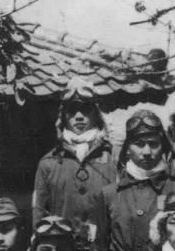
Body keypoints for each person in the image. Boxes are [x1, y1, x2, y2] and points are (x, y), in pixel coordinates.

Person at [88, 110, 175, 251]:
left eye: (154, 144)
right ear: (127, 149)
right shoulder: (109, 194)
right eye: (139, 144)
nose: (146, 151)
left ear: (163, 147)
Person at [32, 78, 116, 227]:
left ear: (96, 113)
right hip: (62, 241)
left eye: (86, 109)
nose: (79, 116)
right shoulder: (48, 163)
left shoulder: (113, 158)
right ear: (64, 116)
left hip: (103, 242)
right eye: (72, 109)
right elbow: (39, 214)